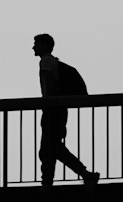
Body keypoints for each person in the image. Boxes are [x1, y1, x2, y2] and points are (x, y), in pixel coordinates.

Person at [32, 33, 100, 188]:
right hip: (58, 110)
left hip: (52, 111)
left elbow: (49, 88)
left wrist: (48, 104)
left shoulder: (46, 61)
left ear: (45, 45)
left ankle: (82, 174)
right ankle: (49, 181)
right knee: (50, 148)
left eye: (36, 43)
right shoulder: (51, 61)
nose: (33, 47)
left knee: (50, 148)